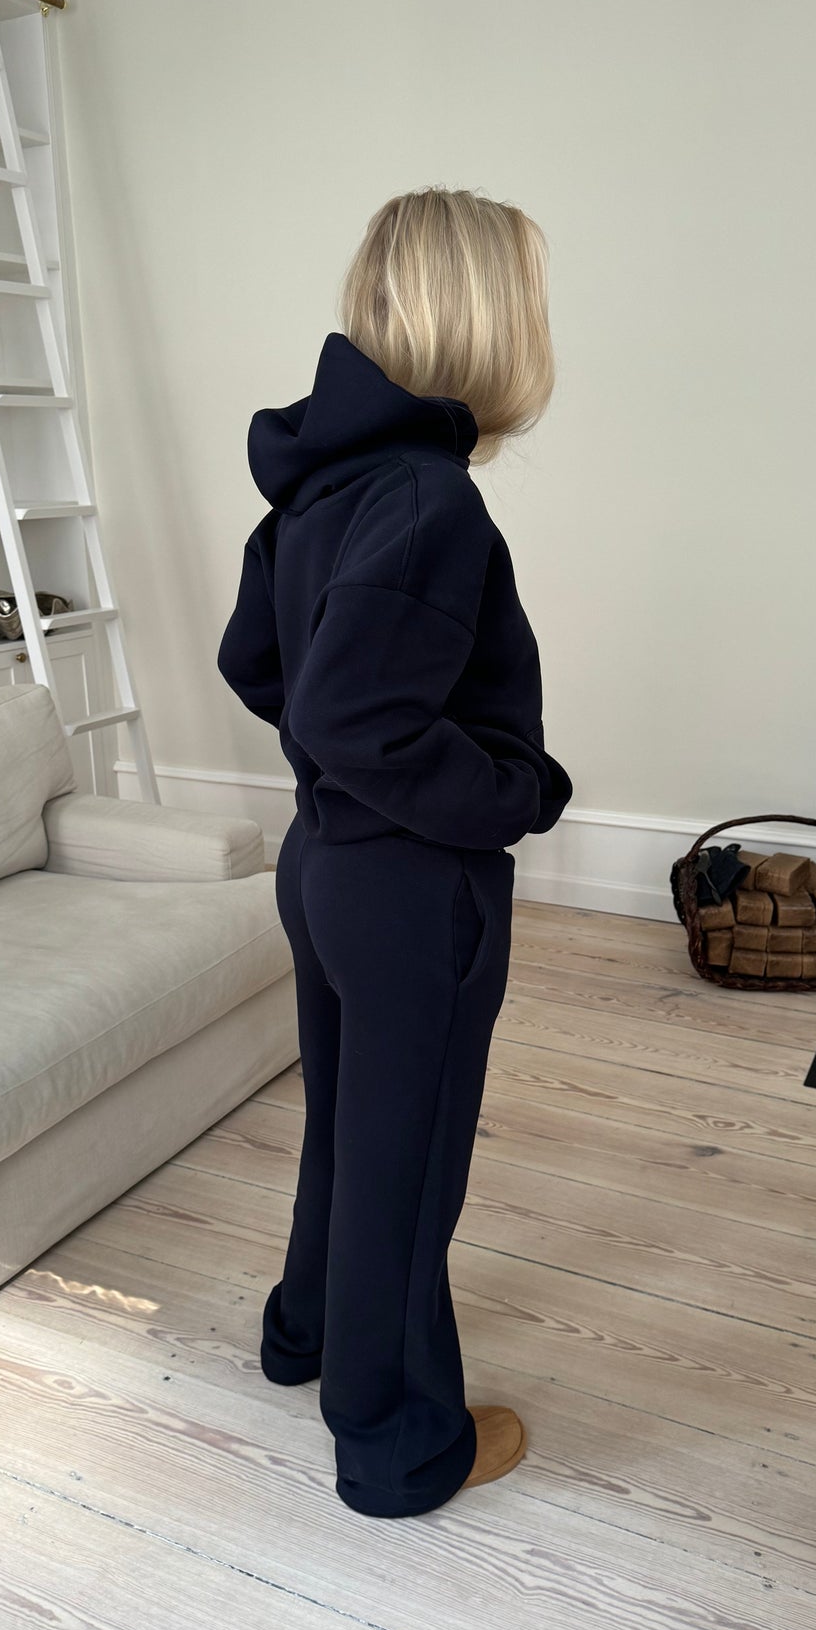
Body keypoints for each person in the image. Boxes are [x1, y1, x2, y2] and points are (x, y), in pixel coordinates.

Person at [217, 186, 573, 1519]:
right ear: (493, 323)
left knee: (351, 1128)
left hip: (322, 862)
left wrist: (336, 771)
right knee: (406, 1166)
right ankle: (399, 1442)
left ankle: (304, 1330)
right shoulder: (429, 500)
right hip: (414, 884)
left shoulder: (317, 489)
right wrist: (510, 791)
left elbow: (260, 665)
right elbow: (350, 710)